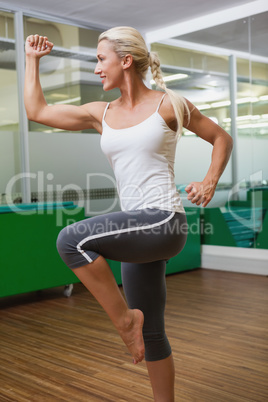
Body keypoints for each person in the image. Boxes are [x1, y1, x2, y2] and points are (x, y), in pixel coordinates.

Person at [24, 26, 233, 402]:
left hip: (164, 221)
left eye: (100, 60)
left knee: (70, 240)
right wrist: (31, 60)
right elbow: (37, 110)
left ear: (125, 61)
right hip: (138, 229)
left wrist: (209, 181)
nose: (96, 69)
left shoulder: (168, 104)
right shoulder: (99, 113)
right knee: (152, 332)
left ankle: (123, 321)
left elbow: (221, 137)